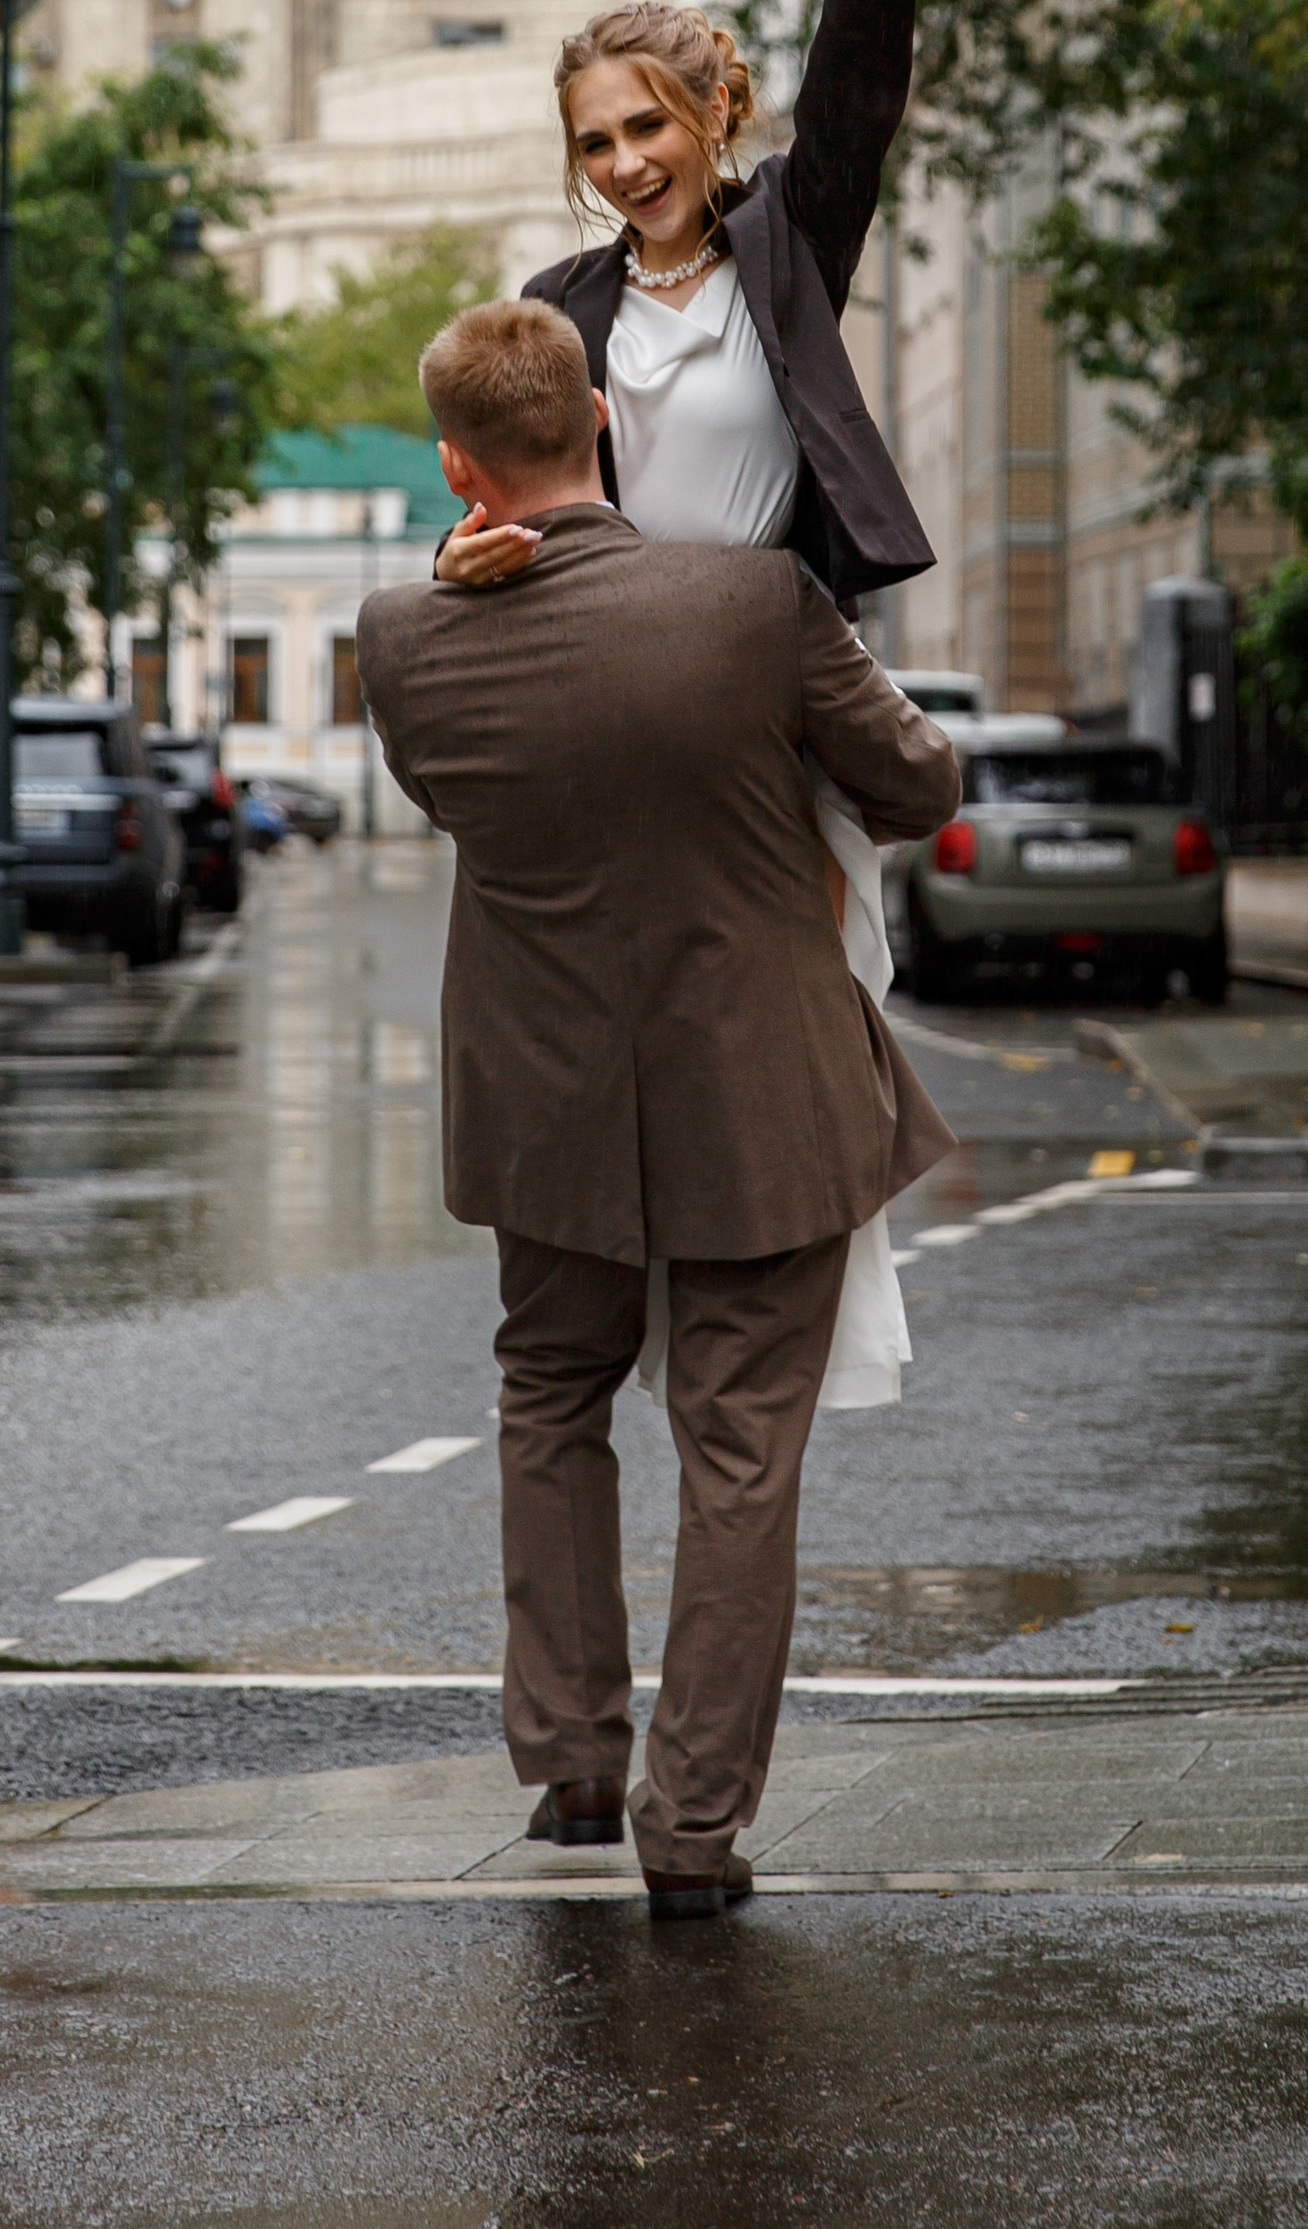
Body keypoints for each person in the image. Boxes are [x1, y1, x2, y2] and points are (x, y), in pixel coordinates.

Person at [358, 297, 961, 1919]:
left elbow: (452, 789)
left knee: (550, 1398)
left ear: (455, 466)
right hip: (766, 1091)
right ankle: (693, 1829)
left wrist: (450, 568)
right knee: (740, 1452)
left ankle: (566, 1761)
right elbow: (915, 784)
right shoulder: (753, 607)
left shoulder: (402, 638)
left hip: (541, 1098)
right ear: (606, 426)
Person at [434, 0, 966, 1406]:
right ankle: (607, 1284)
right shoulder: (557, 297)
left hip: (767, 683)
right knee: (607, 1008)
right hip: (604, 683)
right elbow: (497, 462)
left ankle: (759, 1317)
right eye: (594, 141)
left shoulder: (789, 245)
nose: (622, 165)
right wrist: (458, 560)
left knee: (791, 1007)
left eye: (645, 127)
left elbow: (863, 79)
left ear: (710, 112)